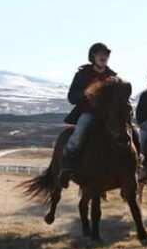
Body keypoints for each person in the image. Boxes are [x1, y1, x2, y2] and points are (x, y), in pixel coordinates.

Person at [59, 42, 142, 188]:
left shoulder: (112, 76)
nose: (103, 57)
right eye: (100, 54)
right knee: (80, 131)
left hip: (110, 116)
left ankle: (136, 165)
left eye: (106, 54)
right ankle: (67, 165)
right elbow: (71, 97)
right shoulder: (82, 74)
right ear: (93, 57)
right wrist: (83, 94)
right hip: (89, 113)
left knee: (134, 133)